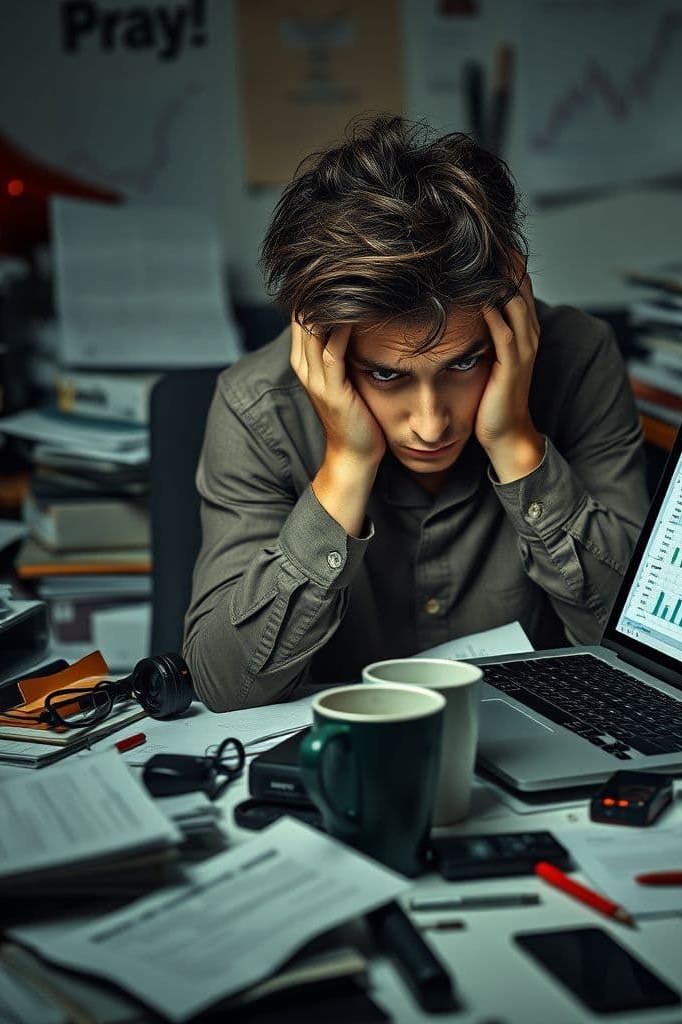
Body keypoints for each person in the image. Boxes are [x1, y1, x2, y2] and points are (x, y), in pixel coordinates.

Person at [185, 115, 650, 712]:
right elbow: (227, 686)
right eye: (386, 375)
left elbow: (636, 649)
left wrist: (515, 443)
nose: (431, 424)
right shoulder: (257, 407)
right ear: (324, 340)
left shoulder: (579, 361)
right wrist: (346, 465)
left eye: (463, 365)